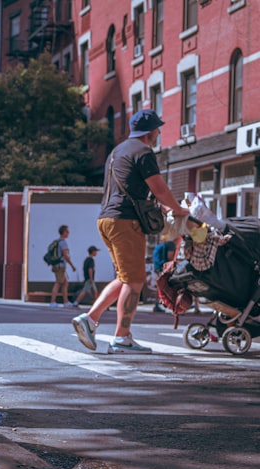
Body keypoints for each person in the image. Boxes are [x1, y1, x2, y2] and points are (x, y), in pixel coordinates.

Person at [72, 109, 189, 354]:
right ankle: (122, 338)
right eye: (157, 129)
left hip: (106, 219)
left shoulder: (118, 151)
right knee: (135, 280)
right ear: (150, 132)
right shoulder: (144, 152)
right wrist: (178, 209)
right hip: (126, 222)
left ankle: (90, 319)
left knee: (125, 277)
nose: (158, 133)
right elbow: (159, 188)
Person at [49, 225, 78, 308]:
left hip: (57, 265)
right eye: (67, 231)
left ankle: (66, 302)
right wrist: (72, 265)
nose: (68, 233)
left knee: (65, 283)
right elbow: (66, 256)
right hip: (60, 266)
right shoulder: (63, 242)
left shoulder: (57, 242)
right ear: (63, 232)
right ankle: (52, 302)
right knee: (58, 283)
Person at [151, 240, 175, 312]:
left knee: (158, 287)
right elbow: (168, 257)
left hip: (156, 268)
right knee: (164, 287)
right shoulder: (166, 246)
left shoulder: (158, 247)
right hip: (161, 269)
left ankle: (157, 304)